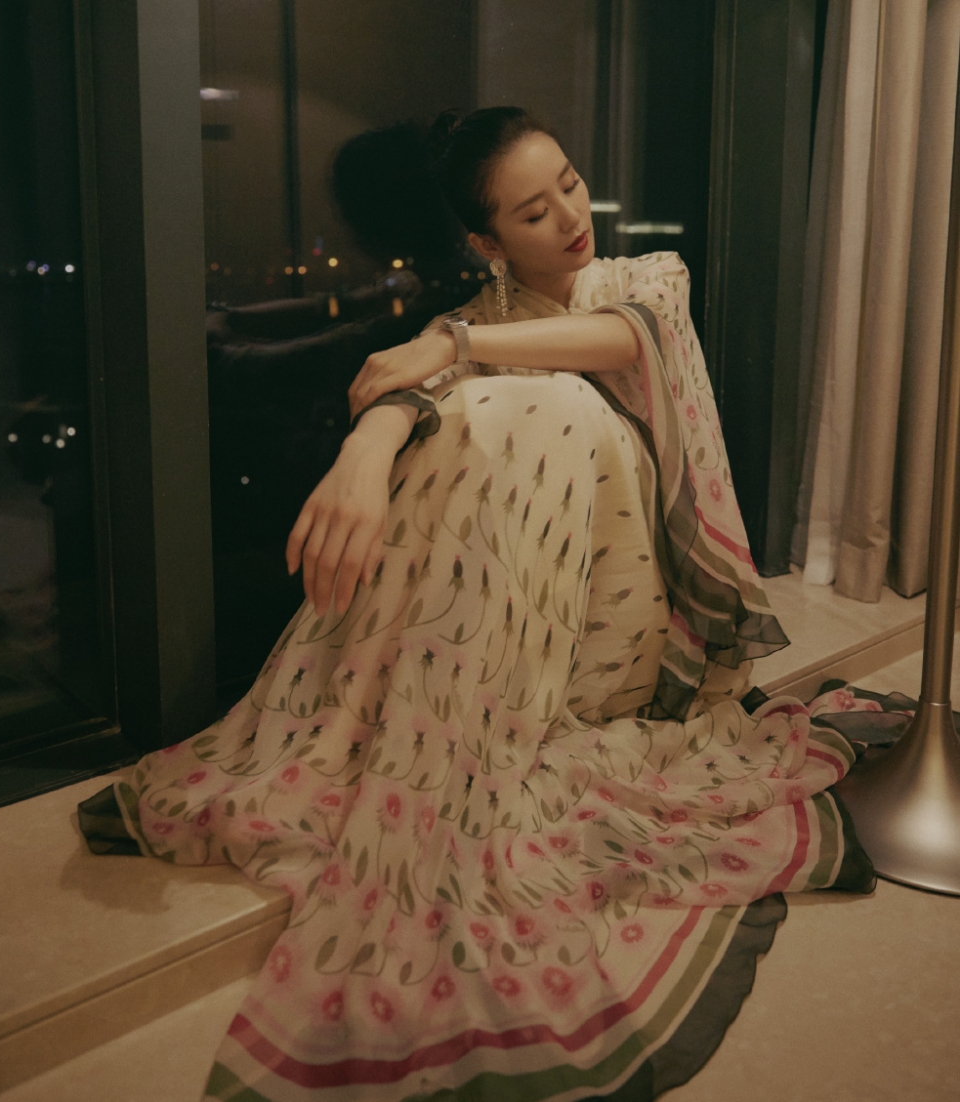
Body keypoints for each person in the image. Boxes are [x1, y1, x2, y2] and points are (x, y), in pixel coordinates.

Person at [80, 107, 883, 1102]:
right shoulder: (469, 323)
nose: (571, 218)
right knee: (470, 408)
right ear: (486, 241)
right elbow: (404, 385)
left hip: (641, 622)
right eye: (533, 212)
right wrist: (365, 450)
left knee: (538, 398)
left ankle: (465, 722)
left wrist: (452, 353)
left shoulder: (643, 280)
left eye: (569, 185)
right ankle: (437, 725)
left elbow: (620, 342)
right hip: (520, 639)